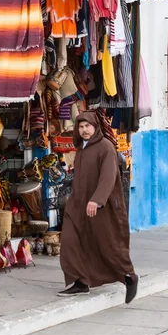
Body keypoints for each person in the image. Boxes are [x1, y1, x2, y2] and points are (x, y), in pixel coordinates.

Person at [58, 111, 138, 304]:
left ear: (95, 127)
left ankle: (129, 276)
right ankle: (80, 281)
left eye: (88, 126)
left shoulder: (105, 147)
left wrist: (97, 200)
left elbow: (109, 177)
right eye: (81, 126)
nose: (84, 130)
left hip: (101, 207)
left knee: (108, 244)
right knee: (70, 241)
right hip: (77, 206)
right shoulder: (81, 150)